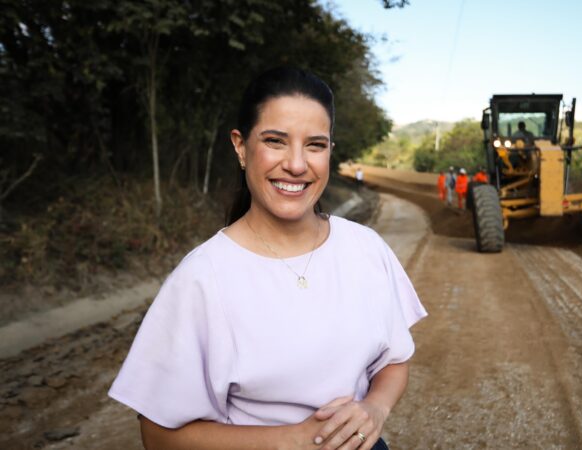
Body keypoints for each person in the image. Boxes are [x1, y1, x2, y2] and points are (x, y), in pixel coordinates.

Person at [108, 67, 427, 450]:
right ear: (241, 147)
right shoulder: (203, 277)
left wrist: (375, 408)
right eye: (275, 141)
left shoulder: (365, 248)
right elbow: (158, 436)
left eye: (315, 145)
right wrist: (292, 440)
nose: (296, 164)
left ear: (330, 152)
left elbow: (394, 359)